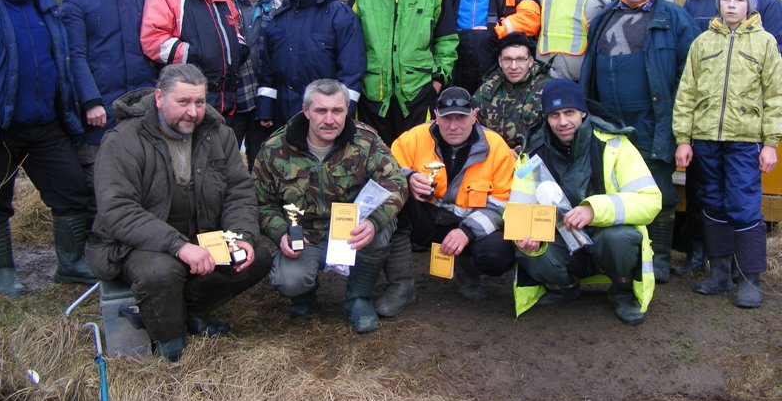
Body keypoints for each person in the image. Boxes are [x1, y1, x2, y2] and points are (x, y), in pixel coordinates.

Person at [86, 64, 272, 361]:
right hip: (136, 243)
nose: (193, 112)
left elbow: (238, 191)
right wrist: (179, 246)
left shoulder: (218, 134)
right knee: (160, 272)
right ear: (159, 97)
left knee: (255, 257)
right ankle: (169, 339)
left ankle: (193, 309)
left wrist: (243, 236)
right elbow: (118, 210)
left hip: (198, 232)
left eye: (199, 102)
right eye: (183, 102)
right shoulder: (122, 140)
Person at [0, 0, 95, 296]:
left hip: (47, 123)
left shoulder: (46, 8)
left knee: (71, 188)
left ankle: (70, 263)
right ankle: (3, 275)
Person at [579, 0, 698, 283]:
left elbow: (690, 76)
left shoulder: (674, 19)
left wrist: (680, 127)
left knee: (658, 189)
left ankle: (658, 259)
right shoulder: (604, 17)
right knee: (610, 187)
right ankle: (620, 256)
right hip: (606, 122)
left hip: (652, 120)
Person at [253, 79, 407, 333]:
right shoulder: (275, 149)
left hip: (351, 229)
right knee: (290, 280)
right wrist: (281, 233)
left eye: (337, 111)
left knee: (381, 229)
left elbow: (396, 183)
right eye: (321, 111)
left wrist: (373, 222)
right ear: (305, 111)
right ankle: (304, 293)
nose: (329, 119)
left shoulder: (365, 141)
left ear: (347, 109)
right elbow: (262, 203)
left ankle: (358, 297)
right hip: (304, 233)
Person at [513, 79, 661, 325]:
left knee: (620, 238)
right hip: (560, 237)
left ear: (583, 112)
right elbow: (518, 206)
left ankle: (622, 290)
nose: (562, 122)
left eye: (569, 112)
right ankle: (563, 286)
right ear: (546, 118)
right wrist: (526, 231)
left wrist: (594, 210)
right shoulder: (532, 154)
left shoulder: (615, 144)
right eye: (554, 115)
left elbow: (650, 200)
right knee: (526, 250)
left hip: (605, 233)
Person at [674, 0, 782, 309]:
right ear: (718, 3)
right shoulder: (703, 43)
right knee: (713, 203)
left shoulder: (764, 44)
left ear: (749, 4)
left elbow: (775, 96)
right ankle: (719, 272)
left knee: (744, 205)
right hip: (706, 139)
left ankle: (749, 277)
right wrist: (683, 139)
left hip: (744, 140)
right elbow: (686, 93)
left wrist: (770, 143)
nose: (731, 5)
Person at [391, 87, 516, 301]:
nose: (453, 126)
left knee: (496, 254)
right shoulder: (413, 138)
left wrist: (467, 231)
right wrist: (408, 177)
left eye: (461, 118)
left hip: (470, 224)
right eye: (447, 118)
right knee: (391, 204)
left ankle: (467, 274)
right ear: (436, 116)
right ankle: (400, 286)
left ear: (474, 116)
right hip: (428, 220)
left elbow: (502, 204)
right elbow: (387, 169)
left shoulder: (496, 147)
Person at [61, 0, 157, 189]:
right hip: (99, 110)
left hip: (139, 104)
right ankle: (95, 231)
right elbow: (74, 56)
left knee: (141, 176)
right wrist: (90, 101)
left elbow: (149, 47)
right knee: (99, 181)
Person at [349, 0, 458, 145]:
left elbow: (446, 40)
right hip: (374, 91)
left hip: (417, 91)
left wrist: (438, 80)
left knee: (416, 154)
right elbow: (348, 40)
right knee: (375, 156)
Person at [141, 0, 247, 120]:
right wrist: (196, 54)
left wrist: (239, 48)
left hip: (227, 100)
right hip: (186, 101)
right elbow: (153, 41)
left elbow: (234, 27)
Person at [256, 0, 365, 128]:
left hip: (325, 118)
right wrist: (266, 108)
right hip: (285, 116)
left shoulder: (340, 16)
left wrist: (342, 113)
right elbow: (267, 69)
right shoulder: (279, 18)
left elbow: (352, 70)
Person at [230, 0, 281, 165]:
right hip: (232, 93)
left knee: (261, 157)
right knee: (227, 155)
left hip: (263, 92)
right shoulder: (223, 2)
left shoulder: (277, 5)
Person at [472, 32, 552, 153]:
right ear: (500, 61)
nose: (513, 66)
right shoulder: (487, 89)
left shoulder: (547, 89)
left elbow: (553, 133)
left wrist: (521, 152)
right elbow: (474, 129)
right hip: (494, 156)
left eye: (520, 59)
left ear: (530, 61)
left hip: (534, 158)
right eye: (508, 59)